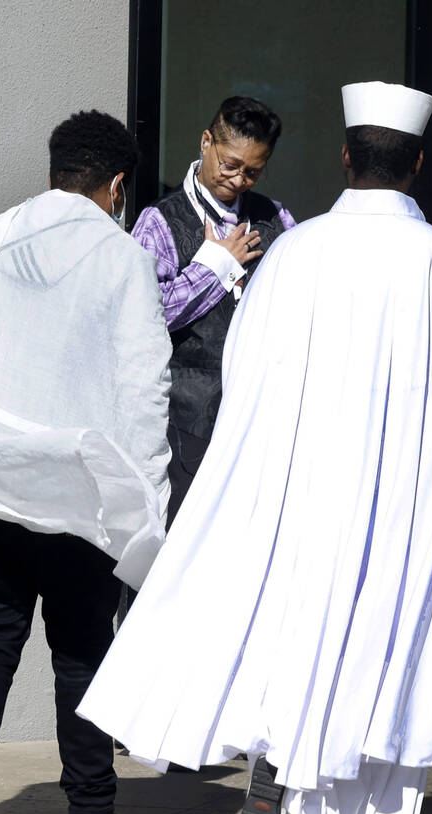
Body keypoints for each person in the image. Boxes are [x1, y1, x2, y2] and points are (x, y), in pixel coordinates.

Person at [78, 81, 432, 814]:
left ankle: (280, 756)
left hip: (302, 488)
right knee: (393, 646)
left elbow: (245, 369)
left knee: (296, 627)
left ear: (346, 156)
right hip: (397, 501)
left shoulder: (295, 248)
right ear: (417, 165)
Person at [0, 109, 171, 814]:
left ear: (55, 168)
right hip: (74, 481)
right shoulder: (121, 258)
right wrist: (147, 501)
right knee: (83, 648)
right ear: (119, 185)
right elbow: (143, 388)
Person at [132, 96, 296, 522]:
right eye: (230, 164)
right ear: (206, 142)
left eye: (253, 171)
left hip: (263, 417)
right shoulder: (159, 221)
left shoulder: (276, 217)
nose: (239, 179)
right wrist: (215, 266)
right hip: (186, 424)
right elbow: (143, 317)